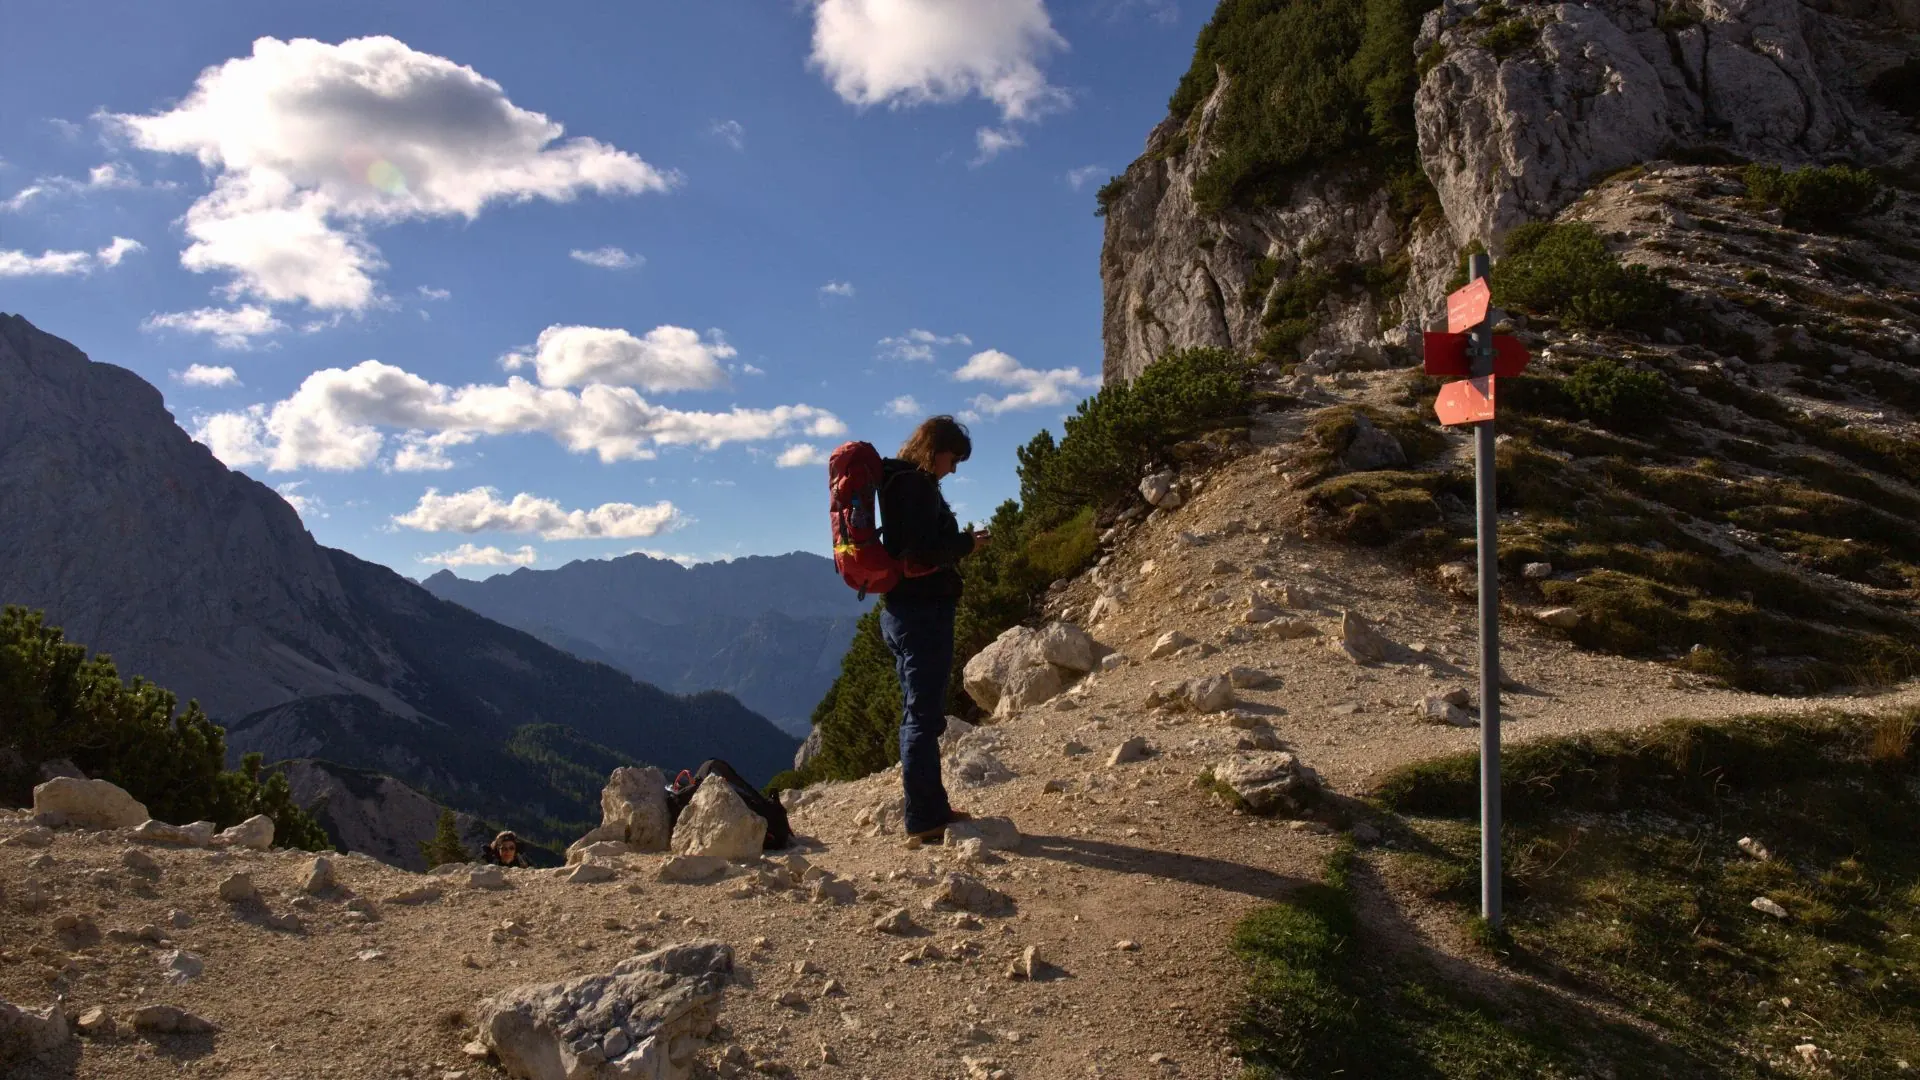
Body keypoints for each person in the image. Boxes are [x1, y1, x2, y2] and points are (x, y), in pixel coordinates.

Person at [878, 415, 992, 843]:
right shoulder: (917, 486)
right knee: (923, 719)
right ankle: (924, 816)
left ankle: (932, 808)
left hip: (901, 612)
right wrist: (967, 544)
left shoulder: (898, 482)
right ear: (935, 450)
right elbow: (925, 551)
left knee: (918, 714)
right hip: (922, 614)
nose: (954, 468)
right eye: (953, 459)